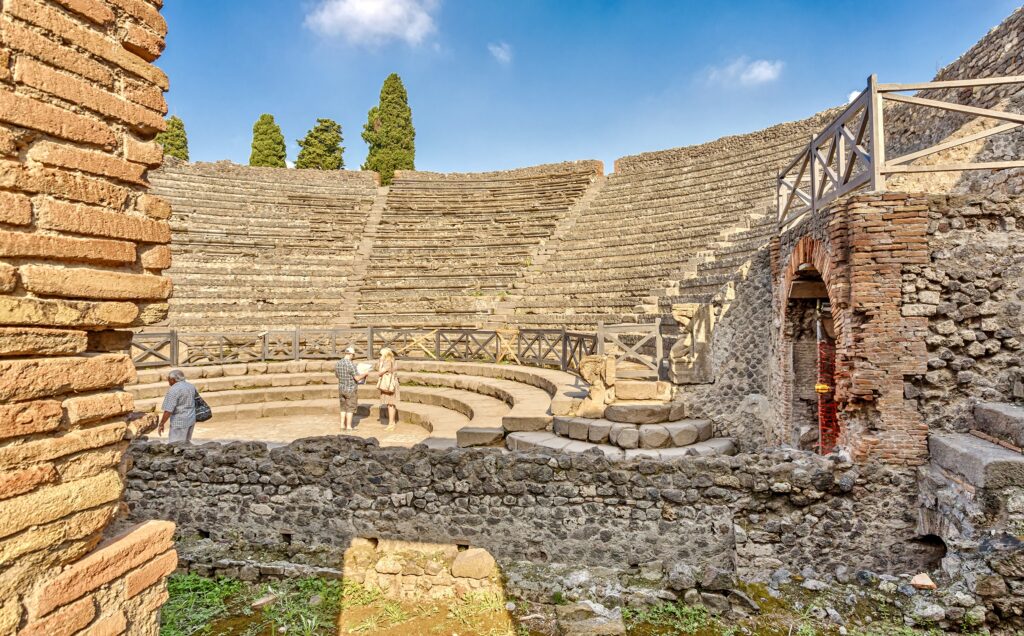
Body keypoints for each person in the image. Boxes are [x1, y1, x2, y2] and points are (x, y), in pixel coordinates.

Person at [158, 369, 198, 444]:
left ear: (173, 380)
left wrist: (161, 424)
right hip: (191, 419)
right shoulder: (191, 386)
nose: (168, 381)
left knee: (175, 446)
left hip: (179, 422)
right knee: (186, 444)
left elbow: (168, 410)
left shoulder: (174, 390)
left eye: (168, 379)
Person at [335, 346, 368, 431]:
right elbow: (357, 378)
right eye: (353, 355)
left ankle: (342, 426)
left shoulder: (338, 363)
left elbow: (337, 376)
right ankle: (349, 427)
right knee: (350, 408)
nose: (353, 357)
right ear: (351, 354)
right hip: (351, 389)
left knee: (343, 407)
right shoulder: (351, 364)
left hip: (341, 388)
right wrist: (364, 374)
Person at [376, 347, 400, 430]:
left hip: (388, 385)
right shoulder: (393, 360)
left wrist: (381, 361)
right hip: (392, 383)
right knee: (391, 404)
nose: (380, 356)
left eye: (381, 354)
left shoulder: (387, 362)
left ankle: (391, 424)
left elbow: (379, 373)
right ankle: (392, 423)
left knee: (390, 405)